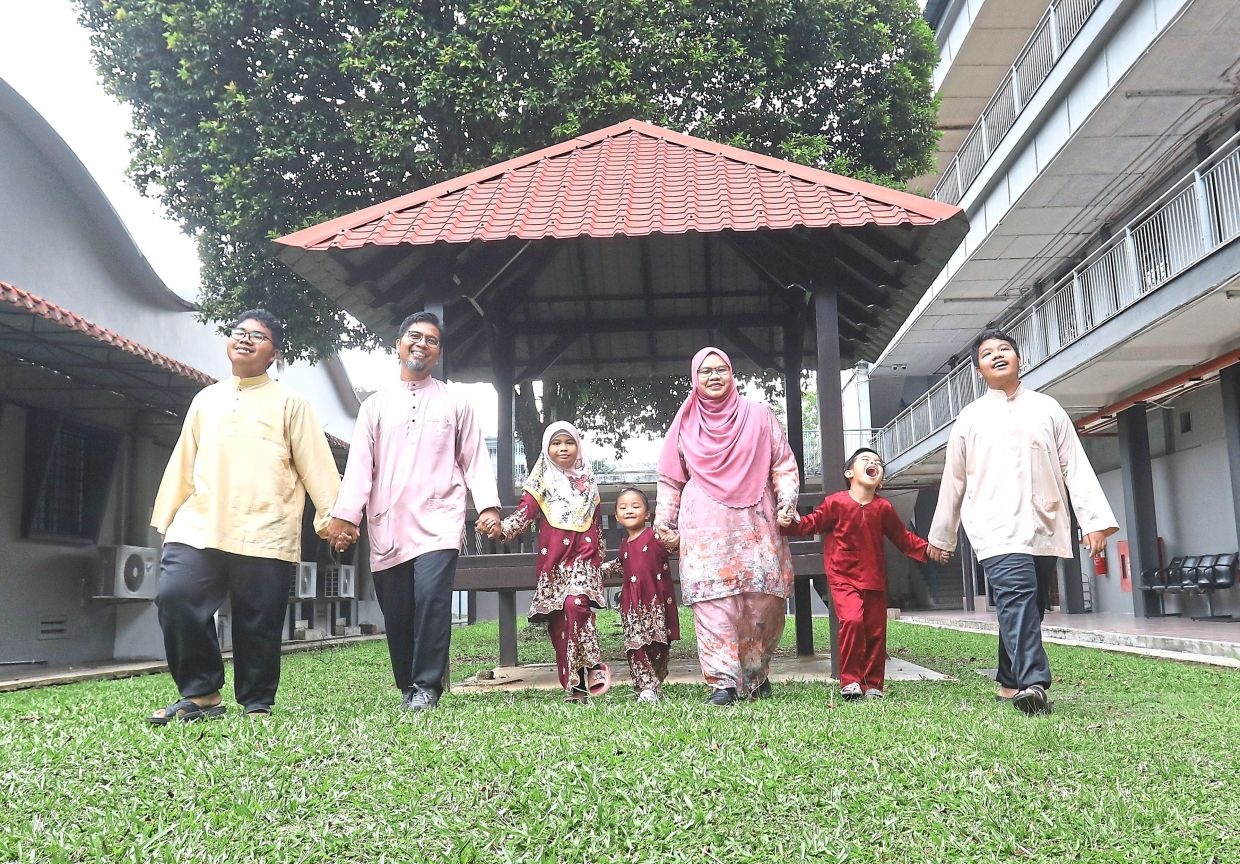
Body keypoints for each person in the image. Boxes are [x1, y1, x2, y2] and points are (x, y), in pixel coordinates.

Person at [147, 310, 342, 724]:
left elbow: (317, 466)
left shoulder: (292, 403)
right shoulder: (206, 399)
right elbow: (184, 461)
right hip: (200, 523)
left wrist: (332, 519)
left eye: (259, 336)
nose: (247, 339)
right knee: (176, 596)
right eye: (240, 332)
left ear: (275, 355)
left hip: (265, 527)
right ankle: (201, 694)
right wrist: (167, 518)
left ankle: (256, 703)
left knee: (259, 620)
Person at [926, 328, 1118, 715]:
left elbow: (1074, 468)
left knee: (1029, 605)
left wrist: (1094, 521)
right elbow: (954, 480)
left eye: (1005, 350)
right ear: (979, 370)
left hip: (1043, 524)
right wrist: (942, 535)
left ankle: (1009, 679)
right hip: (993, 527)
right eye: (987, 354)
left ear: (1019, 359)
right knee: (1017, 597)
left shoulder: (1048, 409)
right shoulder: (970, 418)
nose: (997, 356)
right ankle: (1034, 683)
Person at [326, 312, 501, 712]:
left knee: (431, 600)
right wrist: (346, 517)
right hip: (389, 523)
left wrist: (488, 506)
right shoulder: (374, 407)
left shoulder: (457, 402)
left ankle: (427, 686)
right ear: (399, 345)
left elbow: (475, 459)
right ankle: (408, 683)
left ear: (438, 354)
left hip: (440, 519)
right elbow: (359, 467)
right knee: (399, 611)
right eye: (414, 336)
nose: (422, 344)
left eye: (432, 340)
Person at [655, 347, 799, 706]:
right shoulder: (685, 422)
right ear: (695, 378)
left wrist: (787, 502)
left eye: (721, 370)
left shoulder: (760, 416)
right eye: (705, 372)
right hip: (705, 526)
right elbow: (671, 480)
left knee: (762, 604)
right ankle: (724, 683)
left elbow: (783, 463)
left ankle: (756, 672)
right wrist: (664, 523)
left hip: (756, 521)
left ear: (732, 374)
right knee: (713, 603)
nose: (714, 377)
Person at [779, 448, 928, 701]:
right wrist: (789, 523)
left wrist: (930, 550)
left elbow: (903, 539)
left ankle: (873, 686)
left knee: (875, 632)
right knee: (852, 622)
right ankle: (850, 681)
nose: (873, 464)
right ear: (849, 473)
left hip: (874, 580)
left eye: (878, 463)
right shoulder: (835, 503)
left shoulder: (884, 508)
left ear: (880, 480)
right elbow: (809, 524)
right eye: (866, 460)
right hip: (842, 577)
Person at [485, 422, 611, 702]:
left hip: (584, 559)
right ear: (547, 448)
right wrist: (502, 530)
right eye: (557, 443)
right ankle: (574, 686)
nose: (563, 448)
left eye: (569, 442)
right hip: (554, 563)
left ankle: (592, 665)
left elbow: (597, 524)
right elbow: (525, 514)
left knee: (575, 604)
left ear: (578, 446)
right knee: (559, 625)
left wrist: (599, 563)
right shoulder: (540, 480)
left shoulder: (588, 479)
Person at [603, 487, 680, 703]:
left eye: (635, 506)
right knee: (636, 645)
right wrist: (600, 571)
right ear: (617, 516)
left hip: (657, 603)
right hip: (632, 604)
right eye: (623, 507)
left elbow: (672, 547)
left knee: (659, 646)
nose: (629, 510)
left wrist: (673, 539)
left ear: (647, 514)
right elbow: (623, 564)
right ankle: (645, 685)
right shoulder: (624, 545)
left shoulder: (654, 537)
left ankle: (654, 683)